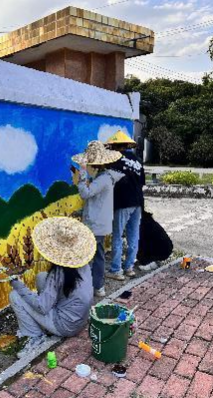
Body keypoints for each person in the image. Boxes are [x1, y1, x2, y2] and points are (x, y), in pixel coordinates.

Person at [9, 217, 96, 358]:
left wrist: (16, 282)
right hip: (80, 320)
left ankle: (35, 338)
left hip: (64, 326)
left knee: (15, 296)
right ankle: (45, 325)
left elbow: (41, 307)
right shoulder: (82, 264)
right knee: (41, 276)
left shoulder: (58, 273)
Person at [72, 141, 124, 297]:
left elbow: (86, 194)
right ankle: (97, 287)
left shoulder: (102, 179)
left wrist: (80, 177)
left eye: (87, 165)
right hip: (100, 224)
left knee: (90, 257)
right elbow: (98, 202)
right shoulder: (105, 177)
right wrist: (82, 211)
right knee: (98, 256)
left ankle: (91, 288)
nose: (86, 167)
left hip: (96, 226)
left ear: (93, 165)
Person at [105, 130, 146, 281]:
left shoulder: (115, 160)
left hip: (123, 202)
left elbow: (109, 182)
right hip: (137, 202)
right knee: (133, 236)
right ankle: (128, 267)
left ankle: (116, 270)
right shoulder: (137, 160)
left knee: (117, 235)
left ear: (115, 146)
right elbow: (141, 182)